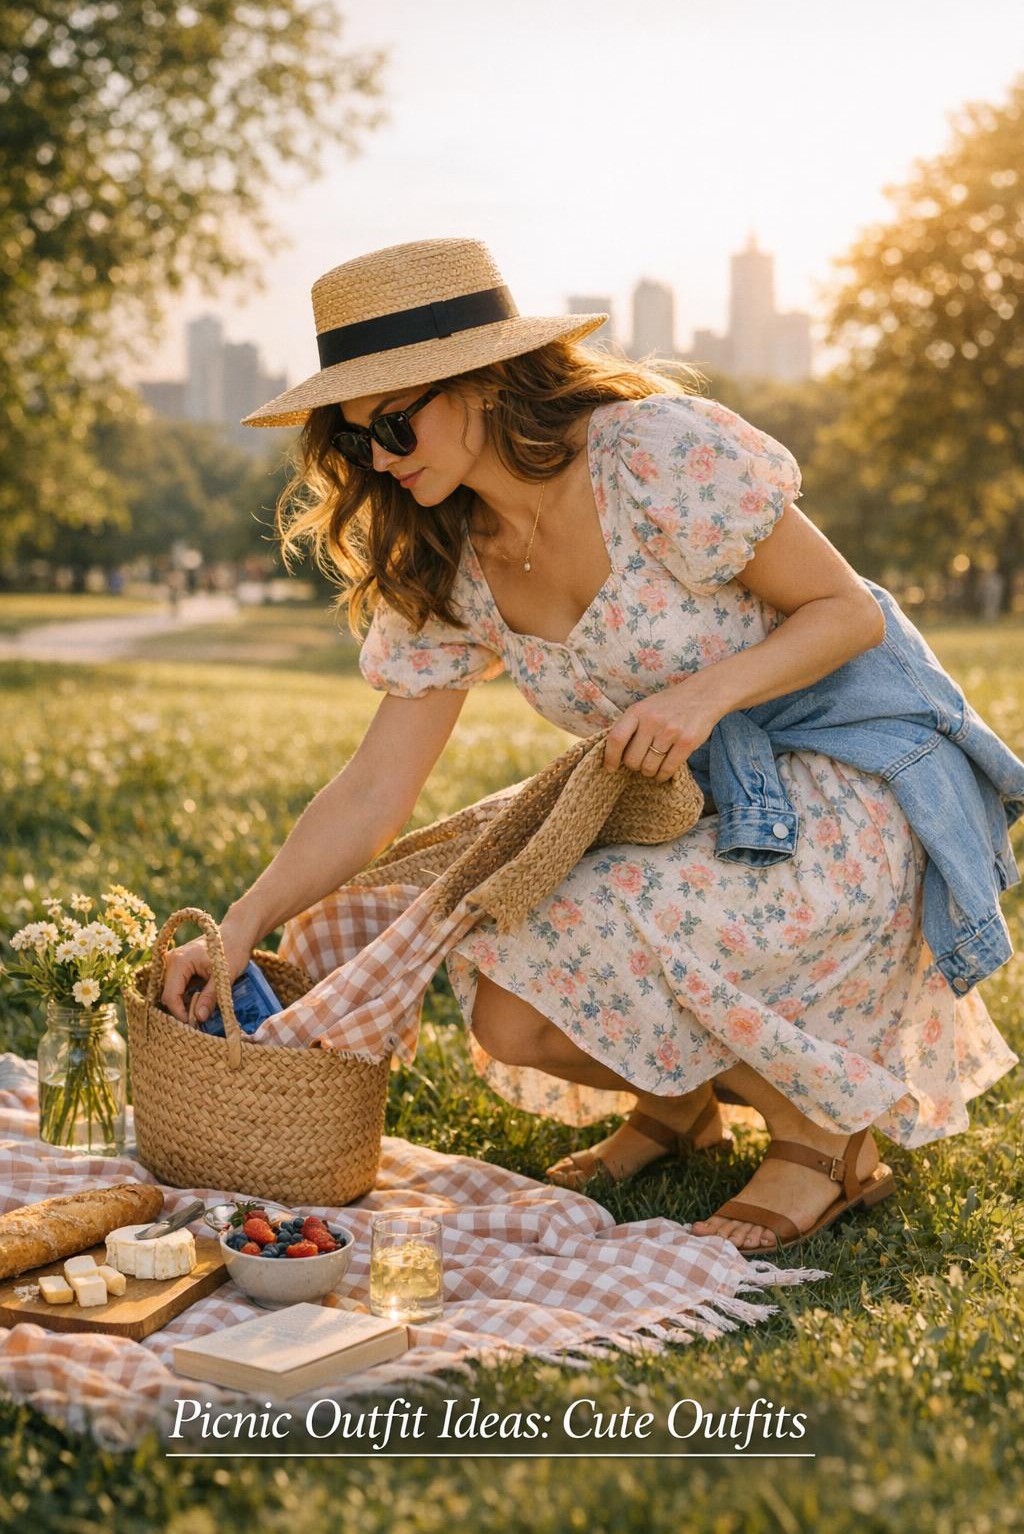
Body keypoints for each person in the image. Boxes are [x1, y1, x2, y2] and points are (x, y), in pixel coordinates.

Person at [160, 238, 1018, 1258]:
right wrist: (241, 924)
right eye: (355, 445)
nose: (382, 459)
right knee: (504, 995)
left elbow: (845, 614)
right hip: (691, 806)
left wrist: (706, 695)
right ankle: (681, 1109)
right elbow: (374, 787)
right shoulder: (445, 553)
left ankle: (825, 1143)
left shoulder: (654, 453)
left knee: (616, 920)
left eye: (394, 423)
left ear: (480, 381)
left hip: (852, 774)